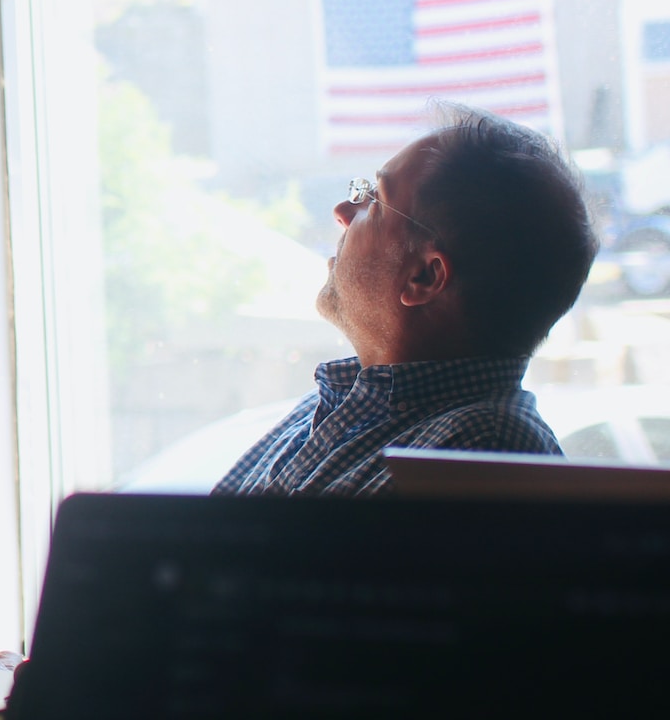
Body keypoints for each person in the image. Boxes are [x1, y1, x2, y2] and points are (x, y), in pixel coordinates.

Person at [214, 105, 598, 496]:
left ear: (424, 277)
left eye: (375, 200)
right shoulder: (335, 408)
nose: (343, 211)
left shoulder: (483, 451)